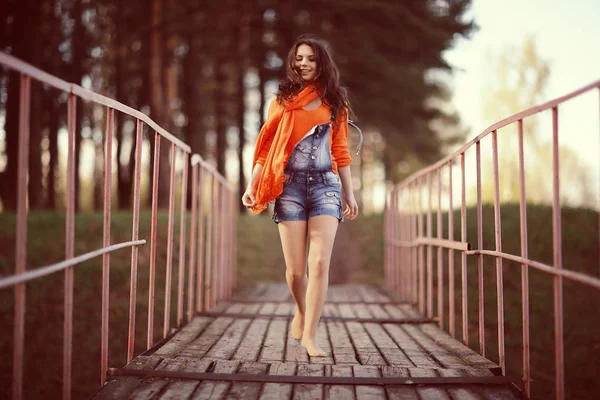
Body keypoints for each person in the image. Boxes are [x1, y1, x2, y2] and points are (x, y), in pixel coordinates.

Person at [241, 35, 359, 357]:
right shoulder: (281, 101)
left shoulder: (335, 102)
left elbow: (341, 150)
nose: (303, 64)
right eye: (299, 58)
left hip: (325, 185)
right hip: (288, 186)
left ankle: (310, 336)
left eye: (310, 58)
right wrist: (253, 184)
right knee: (295, 272)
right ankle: (302, 309)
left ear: (322, 62)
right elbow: (266, 147)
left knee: (319, 263)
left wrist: (349, 193)